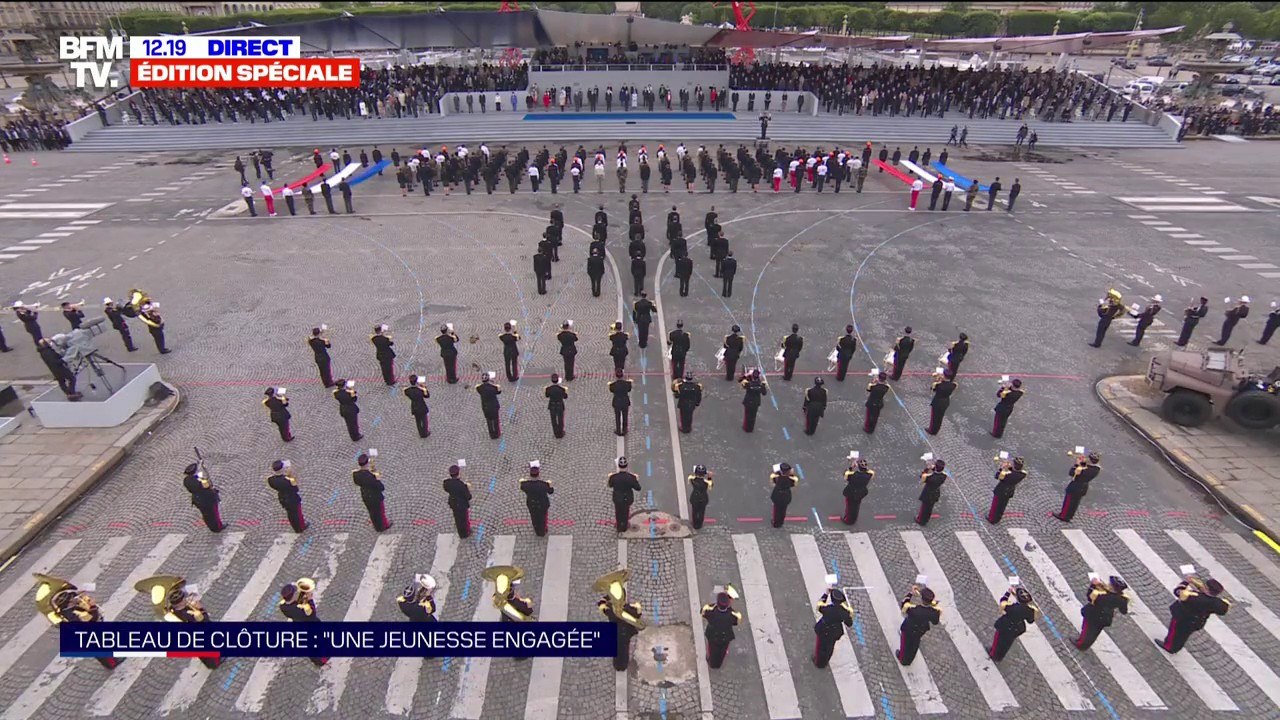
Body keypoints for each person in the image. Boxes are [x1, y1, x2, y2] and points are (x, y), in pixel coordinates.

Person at [1160, 576, 1230, 654]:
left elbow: (1178, 591)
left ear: (1207, 589)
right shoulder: (1218, 603)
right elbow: (1223, 610)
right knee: (1184, 635)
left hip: (1182, 618)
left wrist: (1186, 582)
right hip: (1197, 622)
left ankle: (1169, 647)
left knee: (1174, 632)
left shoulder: (1193, 597)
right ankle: (1177, 647)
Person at [597, 573, 644, 671]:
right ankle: (623, 665)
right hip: (626, 632)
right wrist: (638, 607)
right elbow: (638, 614)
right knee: (624, 648)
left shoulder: (610, 610)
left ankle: (618, 665)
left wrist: (608, 597)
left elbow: (601, 604)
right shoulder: (629, 609)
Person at [278, 578, 328, 666]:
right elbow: (312, 613)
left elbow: (295, 605)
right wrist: (310, 599)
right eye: (295, 592)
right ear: (293, 596)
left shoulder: (283, 605)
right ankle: (321, 660)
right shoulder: (302, 609)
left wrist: (303, 599)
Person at [1076, 575, 1129, 651]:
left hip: (1093, 615)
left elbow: (1089, 597)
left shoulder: (1100, 595)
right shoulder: (1123, 599)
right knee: (1095, 633)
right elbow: (1123, 611)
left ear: (1112, 587)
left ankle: (1081, 645)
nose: (1108, 584)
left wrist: (1093, 585)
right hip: (1105, 618)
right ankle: (1086, 644)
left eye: (1110, 584)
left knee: (1086, 630)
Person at [989, 586, 1039, 661]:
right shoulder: (1030, 610)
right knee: (1007, 643)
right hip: (1017, 628)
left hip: (1005, 625)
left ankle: (993, 654)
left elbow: (1003, 602)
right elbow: (1030, 621)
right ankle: (1000, 656)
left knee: (998, 640)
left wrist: (1008, 593)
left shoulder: (1012, 607)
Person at [898, 584, 940, 665]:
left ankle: (902, 659)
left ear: (921, 598)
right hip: (920, 630)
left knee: (905, 644)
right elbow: (935, 622)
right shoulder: (933, 612)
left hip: (908, 629)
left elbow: (904, 604)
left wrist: (911, 593)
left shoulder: (914, 609)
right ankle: (910, 659)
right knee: (914, 644)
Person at [812, 586, 854, 668]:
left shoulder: (828, 609)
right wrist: (849, 613)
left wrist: (826, 594)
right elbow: (849, 623)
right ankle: (826, 660)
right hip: (835, 632)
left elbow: (819, 605)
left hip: (823, 629)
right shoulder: (844, 612)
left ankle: (819, 662)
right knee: (830, 647)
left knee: (820, 647)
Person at [1054, 452, 1100, 522]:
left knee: (1069, 501)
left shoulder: (1084, 469)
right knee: (1075, 503)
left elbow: (1072, 472)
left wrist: (1076, 464)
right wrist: (1082, 462)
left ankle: (1064, 515)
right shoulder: (1096, 469)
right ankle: (1070, 515)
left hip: (1075, 486)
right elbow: (1086, 467)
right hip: (1083, 487)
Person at [702, 590, 742, 668]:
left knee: (712, 650)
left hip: (713, 635)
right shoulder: (733, 614)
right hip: (725, 636)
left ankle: (712, 663)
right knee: (723, 651)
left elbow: (703, 613)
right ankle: (718, 663)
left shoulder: (710, 610)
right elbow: (736, 622)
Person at [352, 453, 391, 532]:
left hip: (365, 495)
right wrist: (377, 479)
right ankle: (383, 526)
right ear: (367, 463)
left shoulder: (355, 474)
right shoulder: (371, 477)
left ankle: (376, 526)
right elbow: (380, 487)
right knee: (380, 512)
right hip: (375, 497)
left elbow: (357, 483)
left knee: (372, 512)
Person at [267, 459, 306, 533]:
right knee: (297, 513)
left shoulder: (270, 479)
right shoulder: (289, 480)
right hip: (292, 498)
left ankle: (295, 527)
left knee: (290, 513)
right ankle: (301, 527)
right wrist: (290, 475)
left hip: (282, 497)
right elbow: (296, 489)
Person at [183, 462, 224, 532]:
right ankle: (218, 527)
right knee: (214, 514)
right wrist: (203, 477)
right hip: (207, 499)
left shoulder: (186, 480)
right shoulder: (199, 479)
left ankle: (211, 527)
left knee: (206, 515)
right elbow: (207, 485)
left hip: (198, 500)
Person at [608, 457, 642, 532]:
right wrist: (636, 479)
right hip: (627, 498)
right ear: (627, 466)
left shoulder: (614, 477)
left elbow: (610, 485)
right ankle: (624, 526)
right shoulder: (631, 477)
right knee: (625, 512)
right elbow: (638, 488)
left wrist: (609, 477)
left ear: (618, 466)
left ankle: (619, 526)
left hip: (617, 498)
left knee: (618, 512)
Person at [520, 462, 554, 536]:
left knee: (534, 517)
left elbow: (522, 487)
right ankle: (542, 531)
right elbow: (551, 491)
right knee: (543, 518)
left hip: (531, 504)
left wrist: (522, 481)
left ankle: (536, 529)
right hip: (542, 504)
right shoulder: (544, 485)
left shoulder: (525, 485)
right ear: (538, 474)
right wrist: (550, 485)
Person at [842, 456, 873, 525]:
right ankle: (854, 518)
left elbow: (845, 474)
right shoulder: (870, 474)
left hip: (851, 492)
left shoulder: (853, 475)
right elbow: (869, 471)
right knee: (856, 506)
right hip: (861, 493)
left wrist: (852, 467)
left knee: (849, 507)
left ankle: (848, 521)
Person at [926, 369, 957, 435]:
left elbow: (933, 389)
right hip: (946, 402)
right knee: (940, 417)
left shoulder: (938, 385)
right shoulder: (953, 385)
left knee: (934, 417)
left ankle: (932, 430)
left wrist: (937, 380)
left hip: (937, 402)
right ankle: (937, 429)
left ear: (944, 376)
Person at [917, 459, 946, 526]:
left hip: (927, 493)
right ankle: (926, 519)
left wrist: (927, 468)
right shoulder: (943, 476)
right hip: (935, 493)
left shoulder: (929, 477)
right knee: (930, 508)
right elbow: (937, 472)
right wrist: (933, 468)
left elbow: (922, 476)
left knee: (924, 508)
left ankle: (921, 520)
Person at [475, 372, 503, 439]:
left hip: (485, 407)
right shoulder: (493, 387)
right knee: (495, 420)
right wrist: (493, 383)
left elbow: (477, 387)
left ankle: (491, 434)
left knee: (489, 421)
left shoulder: (479, 388)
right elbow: (499, 391)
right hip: (494, 406)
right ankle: (497, 433)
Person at [769, 463, 797, 528]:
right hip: (786, 496)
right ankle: (781, 522)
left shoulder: (774, 477)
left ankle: (775, 523)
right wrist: (791, 475)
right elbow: (794, 486)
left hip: (777, 495)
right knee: (783, 510)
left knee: (776, 510)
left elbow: (772, 484)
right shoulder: (793, 479)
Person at [609, 367, 633, 436]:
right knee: (625, 416)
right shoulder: (627, 384)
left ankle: (618, 430)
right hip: (625, 402)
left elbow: (611, 390)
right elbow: (629, 390)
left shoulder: (613, 385)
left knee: (617, 416)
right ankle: (625, 429)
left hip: (617, 402)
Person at [544, 373, 568, 438]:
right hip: (559, 405)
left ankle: (556, 433)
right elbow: (565, 397)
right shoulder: (561, 389)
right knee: (560, 419)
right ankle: (560, 433)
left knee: (553, 420)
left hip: (552, 405)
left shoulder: (548, 389)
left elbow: (547, 395)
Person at [689, 465, 713, 529]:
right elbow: (710, 486)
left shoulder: (692, 479)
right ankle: (699, 524)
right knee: (701, 512)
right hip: (703, 498)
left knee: (694, 511)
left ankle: (695, 524)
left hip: (695, 498)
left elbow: (692, 476)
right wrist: (709, 477)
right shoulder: (706, 483)